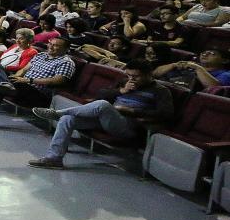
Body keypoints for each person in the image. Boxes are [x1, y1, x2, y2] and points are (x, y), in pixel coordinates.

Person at [27, 59, 173, 169]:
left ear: (149, 75)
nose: (131, 79)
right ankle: (54, 158)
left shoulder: (160, 91)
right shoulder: (125, 83)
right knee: (67, 119)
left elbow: (165, 113)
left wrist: (132, 111)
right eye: (129, 75)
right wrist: (121, 91)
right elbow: (101, 93)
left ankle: (56, 113)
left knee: (103, 105)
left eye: (136, 76)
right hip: (107, 119)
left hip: (128, 126)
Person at [0, 37, 76, 127]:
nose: (50, 46)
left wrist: (29, 80)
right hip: (21, 84)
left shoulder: (66, 62)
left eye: (56, 45)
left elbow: (58, 80)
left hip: (36, 91)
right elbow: (24, 70)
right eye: (50, 43)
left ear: (65, 49)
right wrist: (14, 77)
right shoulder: (41, 55)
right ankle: (5, 83)